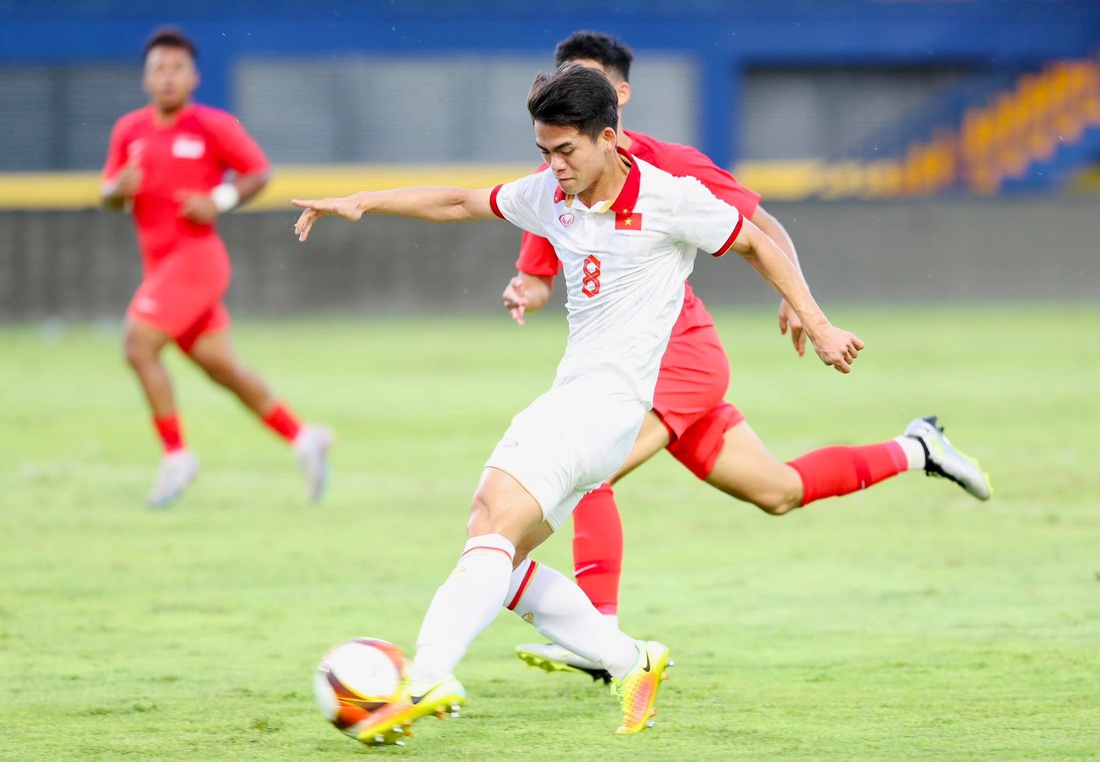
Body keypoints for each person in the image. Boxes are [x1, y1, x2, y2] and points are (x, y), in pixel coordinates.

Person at [293, 64, 864, 744]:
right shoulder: (551, 197)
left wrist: (819, 323)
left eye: (566, 151)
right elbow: (461, 202)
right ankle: (631, 660)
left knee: (491, 519)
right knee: (498, 560)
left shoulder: (669, 197)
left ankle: (425, 680)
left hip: (603, 408)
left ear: (610, 139)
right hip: (584, 407)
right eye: (544, 150)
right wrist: (365, 200)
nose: (554, 165)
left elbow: (757, 242)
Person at [504, 32, 993, 682]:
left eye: (586, 89)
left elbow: (760, 231)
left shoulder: (667, 166)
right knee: (778, 491)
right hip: (635, 373)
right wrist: (527, 289)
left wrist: (803, 303)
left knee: (589, 470)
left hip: (679, 361)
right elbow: (542, 267)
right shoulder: (561, 180)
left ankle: (599, 636)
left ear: (617, 99)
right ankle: (919, 447)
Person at [100, 27, 332, 507]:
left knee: (137, 343)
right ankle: (303, 437)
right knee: (223, 369)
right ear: (145, 78)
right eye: (158, 69)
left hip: (197, 261)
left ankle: (176, 455)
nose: (167, 78)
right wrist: (116, 191)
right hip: (161, 267)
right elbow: (108, 196)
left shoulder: (211, 125)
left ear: (193, 76)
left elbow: (258, 172)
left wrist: (218, 198)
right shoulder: (130, 131)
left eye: (176, 68)